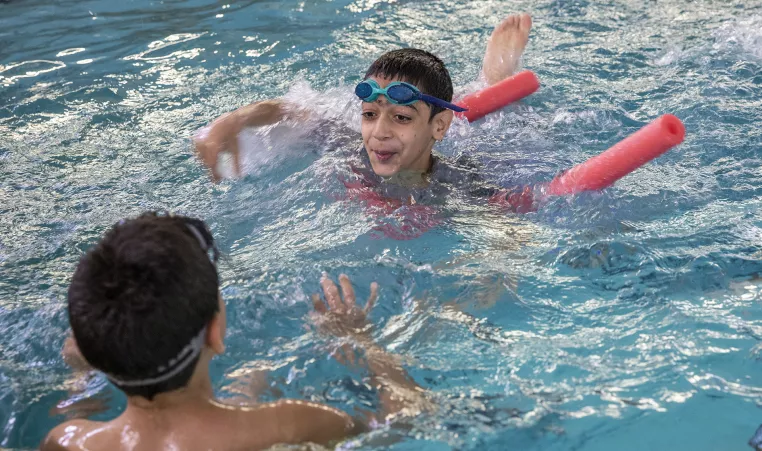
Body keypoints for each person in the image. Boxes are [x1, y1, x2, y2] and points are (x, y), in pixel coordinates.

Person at [42, 212, 422, 451]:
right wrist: (363, 341)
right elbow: (408, 423)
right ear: (216, 331)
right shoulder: (293, 423)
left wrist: (81, 377)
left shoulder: (69, 440)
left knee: (248, 383)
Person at [193, 14, 535, 213]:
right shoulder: (348, 150)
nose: (379, 132)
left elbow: (512, 230)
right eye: (370, 115)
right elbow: (289, 110)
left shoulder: (462, 186)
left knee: (489, 128)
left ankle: (495, 81)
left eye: (401, 118)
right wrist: (235, 120)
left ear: (438, 126)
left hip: (467, 142)